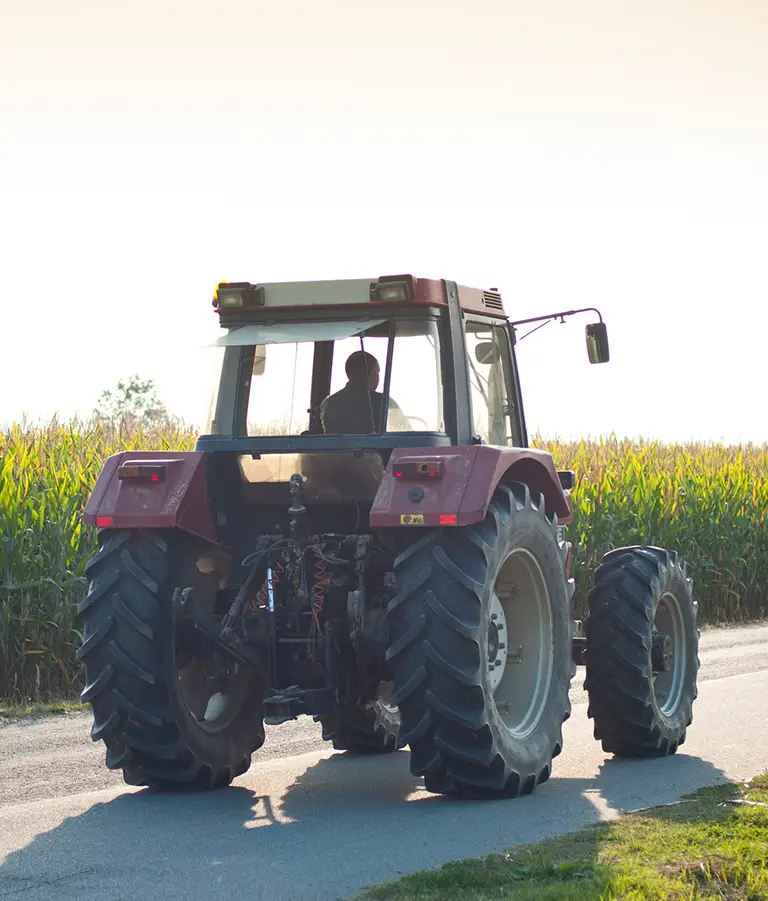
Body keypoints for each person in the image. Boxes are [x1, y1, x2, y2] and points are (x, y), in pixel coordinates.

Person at [320, 350, 411, 434]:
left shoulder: (328, 403)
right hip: (374, 452)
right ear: (369, 372)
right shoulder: (384, 402)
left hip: (335, 452)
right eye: (377, 371)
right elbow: (405, 433)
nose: (378, 377)